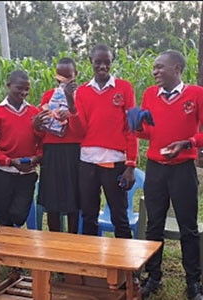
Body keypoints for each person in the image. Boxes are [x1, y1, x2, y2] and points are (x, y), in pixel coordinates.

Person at [134, 50, 203, 300]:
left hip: (183, 170)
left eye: (159, 67)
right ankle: (154, 276)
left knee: (188, 228)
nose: (154, 72)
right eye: (154, 67)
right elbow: (144, 133)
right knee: (154, 225)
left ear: (176, 69)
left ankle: (193, 282)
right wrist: (134, 124)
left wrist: (188, 142)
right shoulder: (150, 94)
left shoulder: (196, 94)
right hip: (155, 169)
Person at [67, 44, 137, 238]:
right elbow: (79, 131)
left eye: (107, 62)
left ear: (112, 62)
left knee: (119, 215)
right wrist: (71, 106)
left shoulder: (124, 88)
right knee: (88, 215)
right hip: (88, 161)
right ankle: (92, 265)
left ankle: (125, 265)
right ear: (91, 62)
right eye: (98, 62)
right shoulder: (81, 92)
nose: (103, 67)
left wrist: (131, 165)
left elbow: (132, 128)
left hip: (114, 161)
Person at [0, 70, 42, 228]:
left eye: (27, 89)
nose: (23, 92)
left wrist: (36, 158)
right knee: (3, 217)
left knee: (19, 214)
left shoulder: (33, 113)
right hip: (4, 174)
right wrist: (9, 161)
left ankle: (13, 237)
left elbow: (42, 142)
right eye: (19, 88)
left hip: (27, 173)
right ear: (8, 86)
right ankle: (6, 249)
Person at [32, 57, 82, 233]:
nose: (64, 81)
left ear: (76, 75)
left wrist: (71, 110)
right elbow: (40, 131)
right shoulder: (48, 95)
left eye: (68, 76)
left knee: (74, 201)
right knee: (52, 201)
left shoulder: (82, 95)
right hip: (52, 150)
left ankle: (72, 241)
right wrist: (38, 124)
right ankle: (54, 241)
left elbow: (83, 129)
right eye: (60, 76)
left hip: (74, 151)